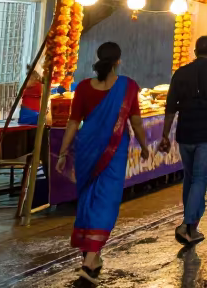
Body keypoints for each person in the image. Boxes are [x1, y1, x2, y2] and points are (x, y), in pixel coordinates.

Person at [55, 42, 149, 284]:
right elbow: (136, 122)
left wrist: (64, 152)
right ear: (118, 61)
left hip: (86, 149)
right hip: (113, 150)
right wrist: (145, 145)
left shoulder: (84, 87)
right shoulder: (127, 86)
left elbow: (73, 123)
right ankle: (90, 260)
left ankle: (92, 257)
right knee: (106, 201)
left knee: (88, 199)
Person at [158, 35, 207, 245]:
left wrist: (165, 134)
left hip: (186, 133)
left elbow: (170, 107)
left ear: (195, 51)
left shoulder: (180, 73)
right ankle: (187, 224)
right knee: (200, 179)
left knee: (190, 178)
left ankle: (193, 227)